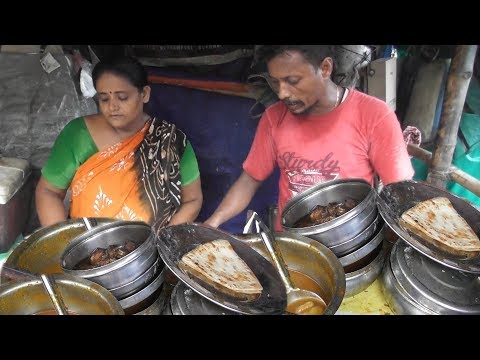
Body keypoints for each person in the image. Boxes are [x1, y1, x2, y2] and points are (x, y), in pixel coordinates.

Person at [205, 45, 414, 231]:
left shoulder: (374, 115)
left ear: (325, 68)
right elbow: (250, 179)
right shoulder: (274, 117)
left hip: (351, 244)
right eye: (275, 82)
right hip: (293, 245)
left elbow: (400, 189)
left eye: (292, 81)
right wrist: (213, 222)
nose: (282, 93)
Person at [35, 55, 203, 233]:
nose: (112, 107)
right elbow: (48, 191)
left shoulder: (171, 140)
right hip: (87, 250)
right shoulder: (77, 134)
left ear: (144, 94)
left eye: (122, 97)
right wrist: (65, 242)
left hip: (154, 251)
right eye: (104, 99)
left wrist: (162, 239)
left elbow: (192, 200)